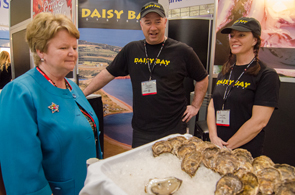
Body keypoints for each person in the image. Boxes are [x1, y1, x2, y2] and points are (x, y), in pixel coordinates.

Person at [0, 12, 102, 195]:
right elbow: (22, 171)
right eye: (63, 47)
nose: (72, 53)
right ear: (41, 51)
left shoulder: (71, 86)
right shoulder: (19, 92)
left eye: (74, 47)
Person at [83, 2, 209, 148]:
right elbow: (107, 74)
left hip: (173, 129)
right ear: (141, 24)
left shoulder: (182, 51)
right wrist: (83, 93)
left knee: (171, 170)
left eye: (158, 22)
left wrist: (195, 106)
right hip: (142, 131)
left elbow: (202, 77)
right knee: (142, 169)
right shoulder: (132, 49)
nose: (153, 28)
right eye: (148, 22)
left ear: (165, 22)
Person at [207, 17, 280, 158]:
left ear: (255, 40)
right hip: (218, 147)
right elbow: (212, 105)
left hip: (244, 152)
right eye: (232, 35)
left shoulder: (266, 75)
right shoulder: (226, 70)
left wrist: (228, 147)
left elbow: (259, 122)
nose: (234, 39)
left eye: (241, 35)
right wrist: (213, 136)